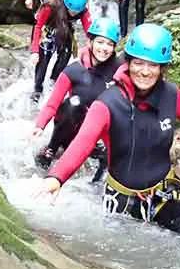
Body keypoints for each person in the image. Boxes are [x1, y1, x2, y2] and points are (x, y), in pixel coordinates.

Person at [35, 23, 180, 239]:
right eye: (139, 63)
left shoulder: (171, 95)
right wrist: (57, 177)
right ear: (128, 63)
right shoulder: (107, 104)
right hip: (121, 198)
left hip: (164, 194)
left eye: (153, 65)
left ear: (162, 68)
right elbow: (83, 143)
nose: (145, 71)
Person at [31, 17, 123, 182]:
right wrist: (40, 125)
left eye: (109, 44)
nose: (104, 48)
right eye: (100, 42)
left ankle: (97, 182)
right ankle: (52, 148)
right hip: (74, 128)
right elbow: (53, 103)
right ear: (90, 41)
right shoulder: (74, 70)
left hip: (100, 131)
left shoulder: (120, 69)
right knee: (74, 104)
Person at [30, 0, 92, 103]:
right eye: (71, 10)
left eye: (76, 11)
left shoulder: (82, 10)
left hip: (64, 30)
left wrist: (92, 45)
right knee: (43, 61)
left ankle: (54, 80)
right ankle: (37, 89)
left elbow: (89, 30)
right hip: (47, 31)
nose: (74, 13)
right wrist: (35, 51)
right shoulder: (51, 6)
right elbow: (38, 27)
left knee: (66, 54)